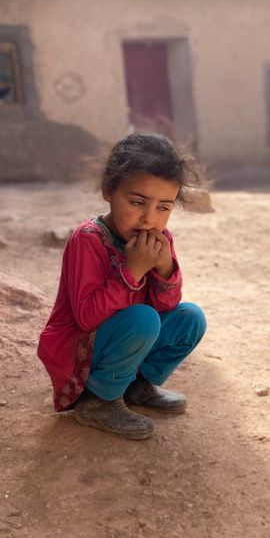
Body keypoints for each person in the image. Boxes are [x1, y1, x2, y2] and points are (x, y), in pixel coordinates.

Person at [37, 133, 207, 440]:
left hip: (127, 336)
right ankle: (98, 401)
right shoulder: (88, 239)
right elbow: (87, 317)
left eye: (163, 207)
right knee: (143, 318)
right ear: (108, 190)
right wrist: (132, 270)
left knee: (190, 318)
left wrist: (164, 267)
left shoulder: (161, 239)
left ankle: (135, 385)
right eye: (137, 202)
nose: (149, 218)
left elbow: (167, 306)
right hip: (78, 347)